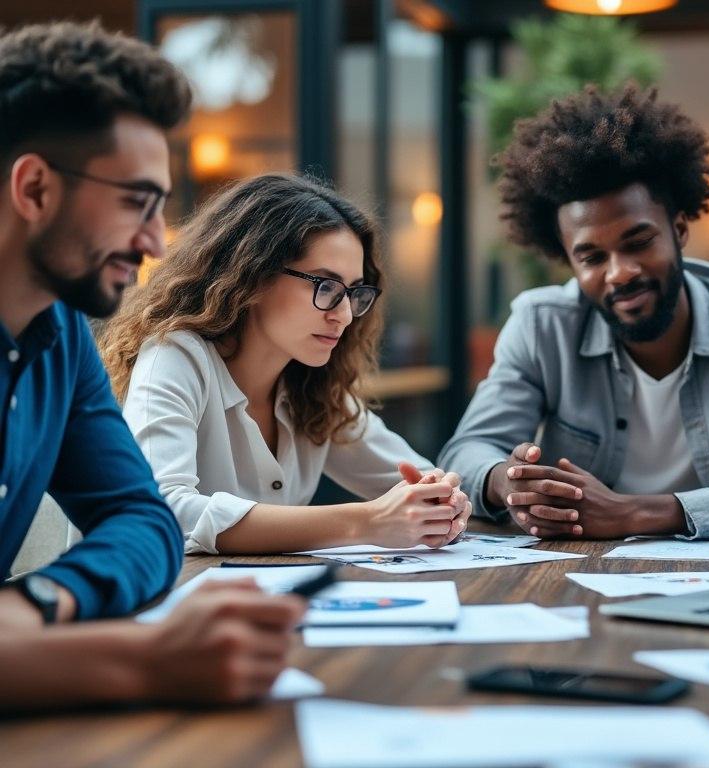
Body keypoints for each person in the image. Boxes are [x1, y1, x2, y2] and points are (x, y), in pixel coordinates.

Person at [0, 21, 303, 711]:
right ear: (36, 189)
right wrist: (145, 662)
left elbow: (143, 519)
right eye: (137, 202)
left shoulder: (62, 337)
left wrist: (39, 600)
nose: (153, 241)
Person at [439, 85, 709, 540]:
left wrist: (650, 512)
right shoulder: (541, 325)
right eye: (591, 258)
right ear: (568, 260)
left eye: (639, 242)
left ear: (679, 230)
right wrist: (506, 483)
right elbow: (467, 451)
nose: (620, 273)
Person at [101, 173, 470, 555]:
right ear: (252, 274)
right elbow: (163, 513)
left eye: (354, 292)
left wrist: (445, 503)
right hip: (154, 606)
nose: (344, 315)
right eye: (325, 286)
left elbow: (423, 482)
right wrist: (366, 521)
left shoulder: (313, 385)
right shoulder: (174, 356)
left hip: (270, 604)